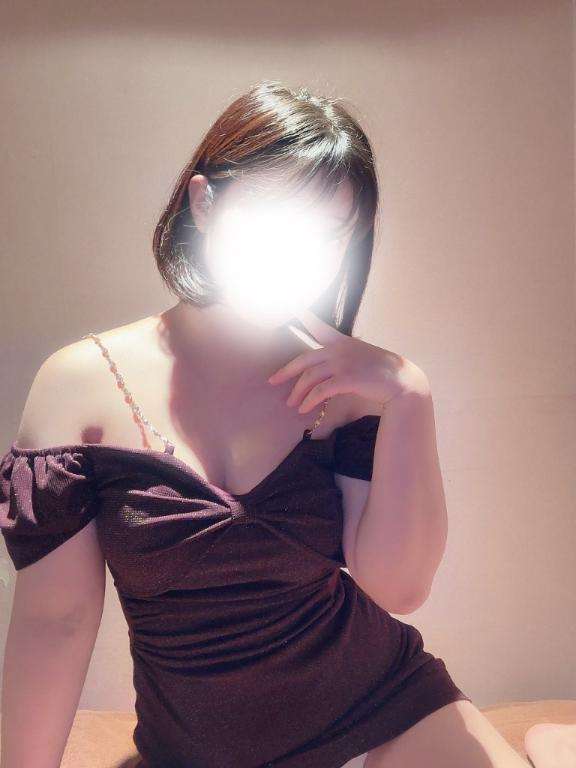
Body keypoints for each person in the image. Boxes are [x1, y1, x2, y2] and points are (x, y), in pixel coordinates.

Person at [1, 80, 534, 768]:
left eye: (329, 236)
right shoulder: (80, 384)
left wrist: (411, 395)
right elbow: (56, 620)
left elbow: (398, 589)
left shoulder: (350, 388)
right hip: (196, 750)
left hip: (382, 707)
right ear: (203, 203)